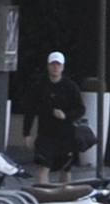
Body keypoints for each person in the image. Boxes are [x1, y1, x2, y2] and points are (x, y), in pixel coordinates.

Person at [23, 51, 86, 185]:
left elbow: (81, 109)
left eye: (58, 64)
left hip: (66, 135)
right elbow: (30, 110)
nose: (55, 67)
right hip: (46, 134)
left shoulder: (70, 86)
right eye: (53, 64)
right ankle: (42, 197)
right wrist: (27, 133)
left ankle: (65, 198)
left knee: (65, 169)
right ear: (48, 66)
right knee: (43, 167)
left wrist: (66, 115)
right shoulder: (39, 86)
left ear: (62, 67)